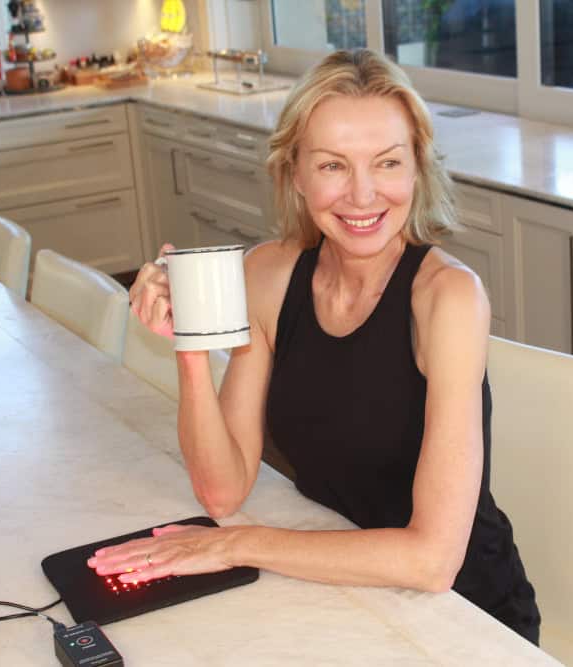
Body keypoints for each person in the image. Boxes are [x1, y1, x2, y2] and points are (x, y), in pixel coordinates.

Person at [88, 48, 540, 644]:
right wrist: (191, 344)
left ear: (416, 169)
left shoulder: (449, 298)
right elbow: (221, 488)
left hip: (464, 618)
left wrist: (235, 545)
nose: (362, 195)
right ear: (294, 172)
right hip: (337, 582)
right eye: (332, 166)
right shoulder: (270, 276)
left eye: (386, 163)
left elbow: (432, 561)